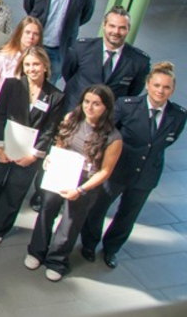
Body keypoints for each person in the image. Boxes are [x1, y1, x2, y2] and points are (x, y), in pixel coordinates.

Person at [81, 62, 185, 268]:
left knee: (128, 216)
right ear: (147, 85)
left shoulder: (179, 115)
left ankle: (111, 249)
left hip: (147, 175)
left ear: (172, 90)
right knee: (98, 208)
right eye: (156, 85)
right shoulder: (126, 105)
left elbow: (168, 140)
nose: (160, 91)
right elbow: (108, 132)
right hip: (118, 169)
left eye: (166, 87)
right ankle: (89, 244)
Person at [25, 84, 123, 281]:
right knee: (46, 211)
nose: (90, 107)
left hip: (85, 182)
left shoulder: (114, 137)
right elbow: (60, 142)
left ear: (106, 107)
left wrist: (80, 189)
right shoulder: (72, 118)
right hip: (61, 171)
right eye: (87, 101)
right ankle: (36, 251)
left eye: (96, 104)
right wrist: (51, 158)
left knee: (70, 223)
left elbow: (105, 171)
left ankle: (57, 260)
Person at [0, 47, 66, 245]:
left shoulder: (55, 96)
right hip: (2, 146)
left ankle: (0, 227)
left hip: (29, 154)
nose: (32, 69)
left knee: (14, 191)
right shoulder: (12, 85)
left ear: (45, 66)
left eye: (36, 64)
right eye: (28, 64)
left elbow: (50, 129)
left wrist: (34, 155)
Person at [23, 0, 95, 82]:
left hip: (59, 50)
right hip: (34, 45)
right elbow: (28, 6)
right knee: (24, 80)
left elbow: (85, 16)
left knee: (48, 87)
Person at [62, 6, 151, 106]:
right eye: (112, 26)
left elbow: (134, 91)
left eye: (122, 28)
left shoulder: (139, 61)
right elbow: (67, 74)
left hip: (108, 116)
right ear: (104, 25)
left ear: (128, 29)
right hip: (75, 109)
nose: (116, 32)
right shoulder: (81, 48)